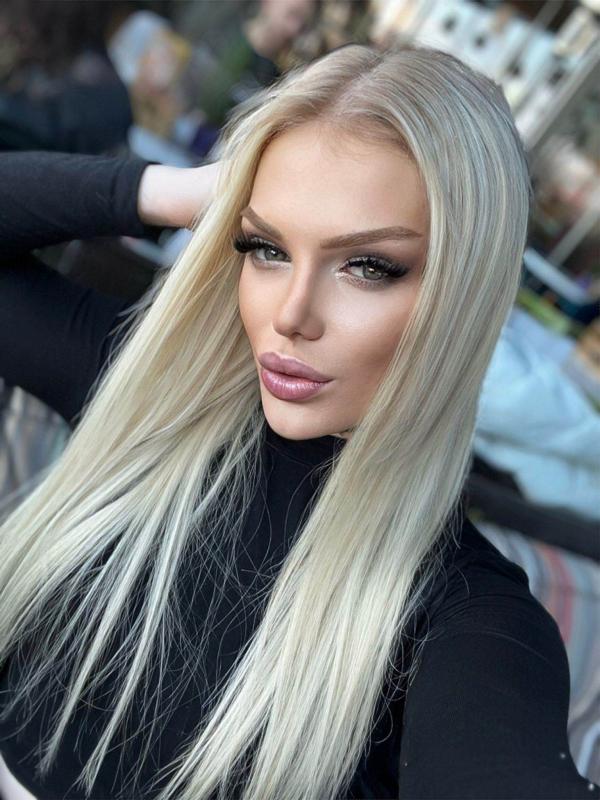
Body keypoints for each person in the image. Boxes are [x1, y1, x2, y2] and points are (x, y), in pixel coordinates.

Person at [0, 42, 598, 800]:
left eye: (368, 266)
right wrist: (177, 191)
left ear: (461, 298)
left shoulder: (467, 622)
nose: (291, 314)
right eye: (266, 248)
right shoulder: (148, 405)